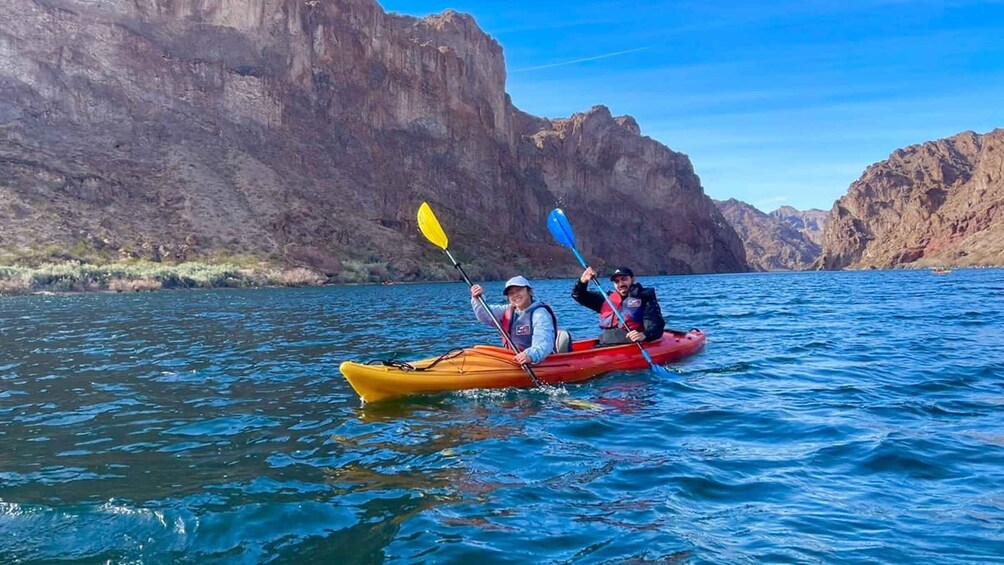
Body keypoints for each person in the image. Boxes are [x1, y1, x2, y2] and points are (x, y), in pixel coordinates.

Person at [470, 275, 559, 365]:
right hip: (514, 359)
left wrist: (530, 355)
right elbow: (485, 315)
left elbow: (544, 341)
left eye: (519, 290)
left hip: (539, 361)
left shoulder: (540, 313)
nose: (515, 295)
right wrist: (477, 299)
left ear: (529, 292)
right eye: (511, 293)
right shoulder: (507, 310)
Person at [571, 266, 665, 346]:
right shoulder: (607, 299)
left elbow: (656, 325)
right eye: (616, 281)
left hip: (630, 345)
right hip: (604, 344)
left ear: (633, 280)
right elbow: (579, 296)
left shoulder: (645, 299)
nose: (620, 284)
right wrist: (582, 282)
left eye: (624, 279)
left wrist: (644, 335)